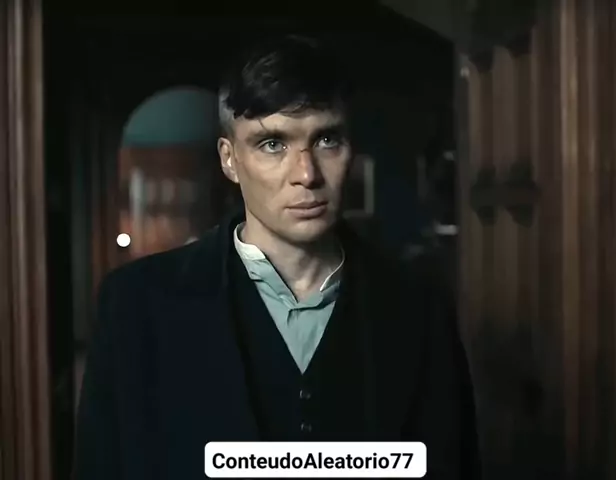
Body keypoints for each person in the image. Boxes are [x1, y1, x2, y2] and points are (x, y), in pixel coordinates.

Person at [74, 34, 480, 479]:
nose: (306, 174)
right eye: (273, 144)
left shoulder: (419, 308)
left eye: (326, 140)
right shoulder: (136, 306)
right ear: (229, 159)